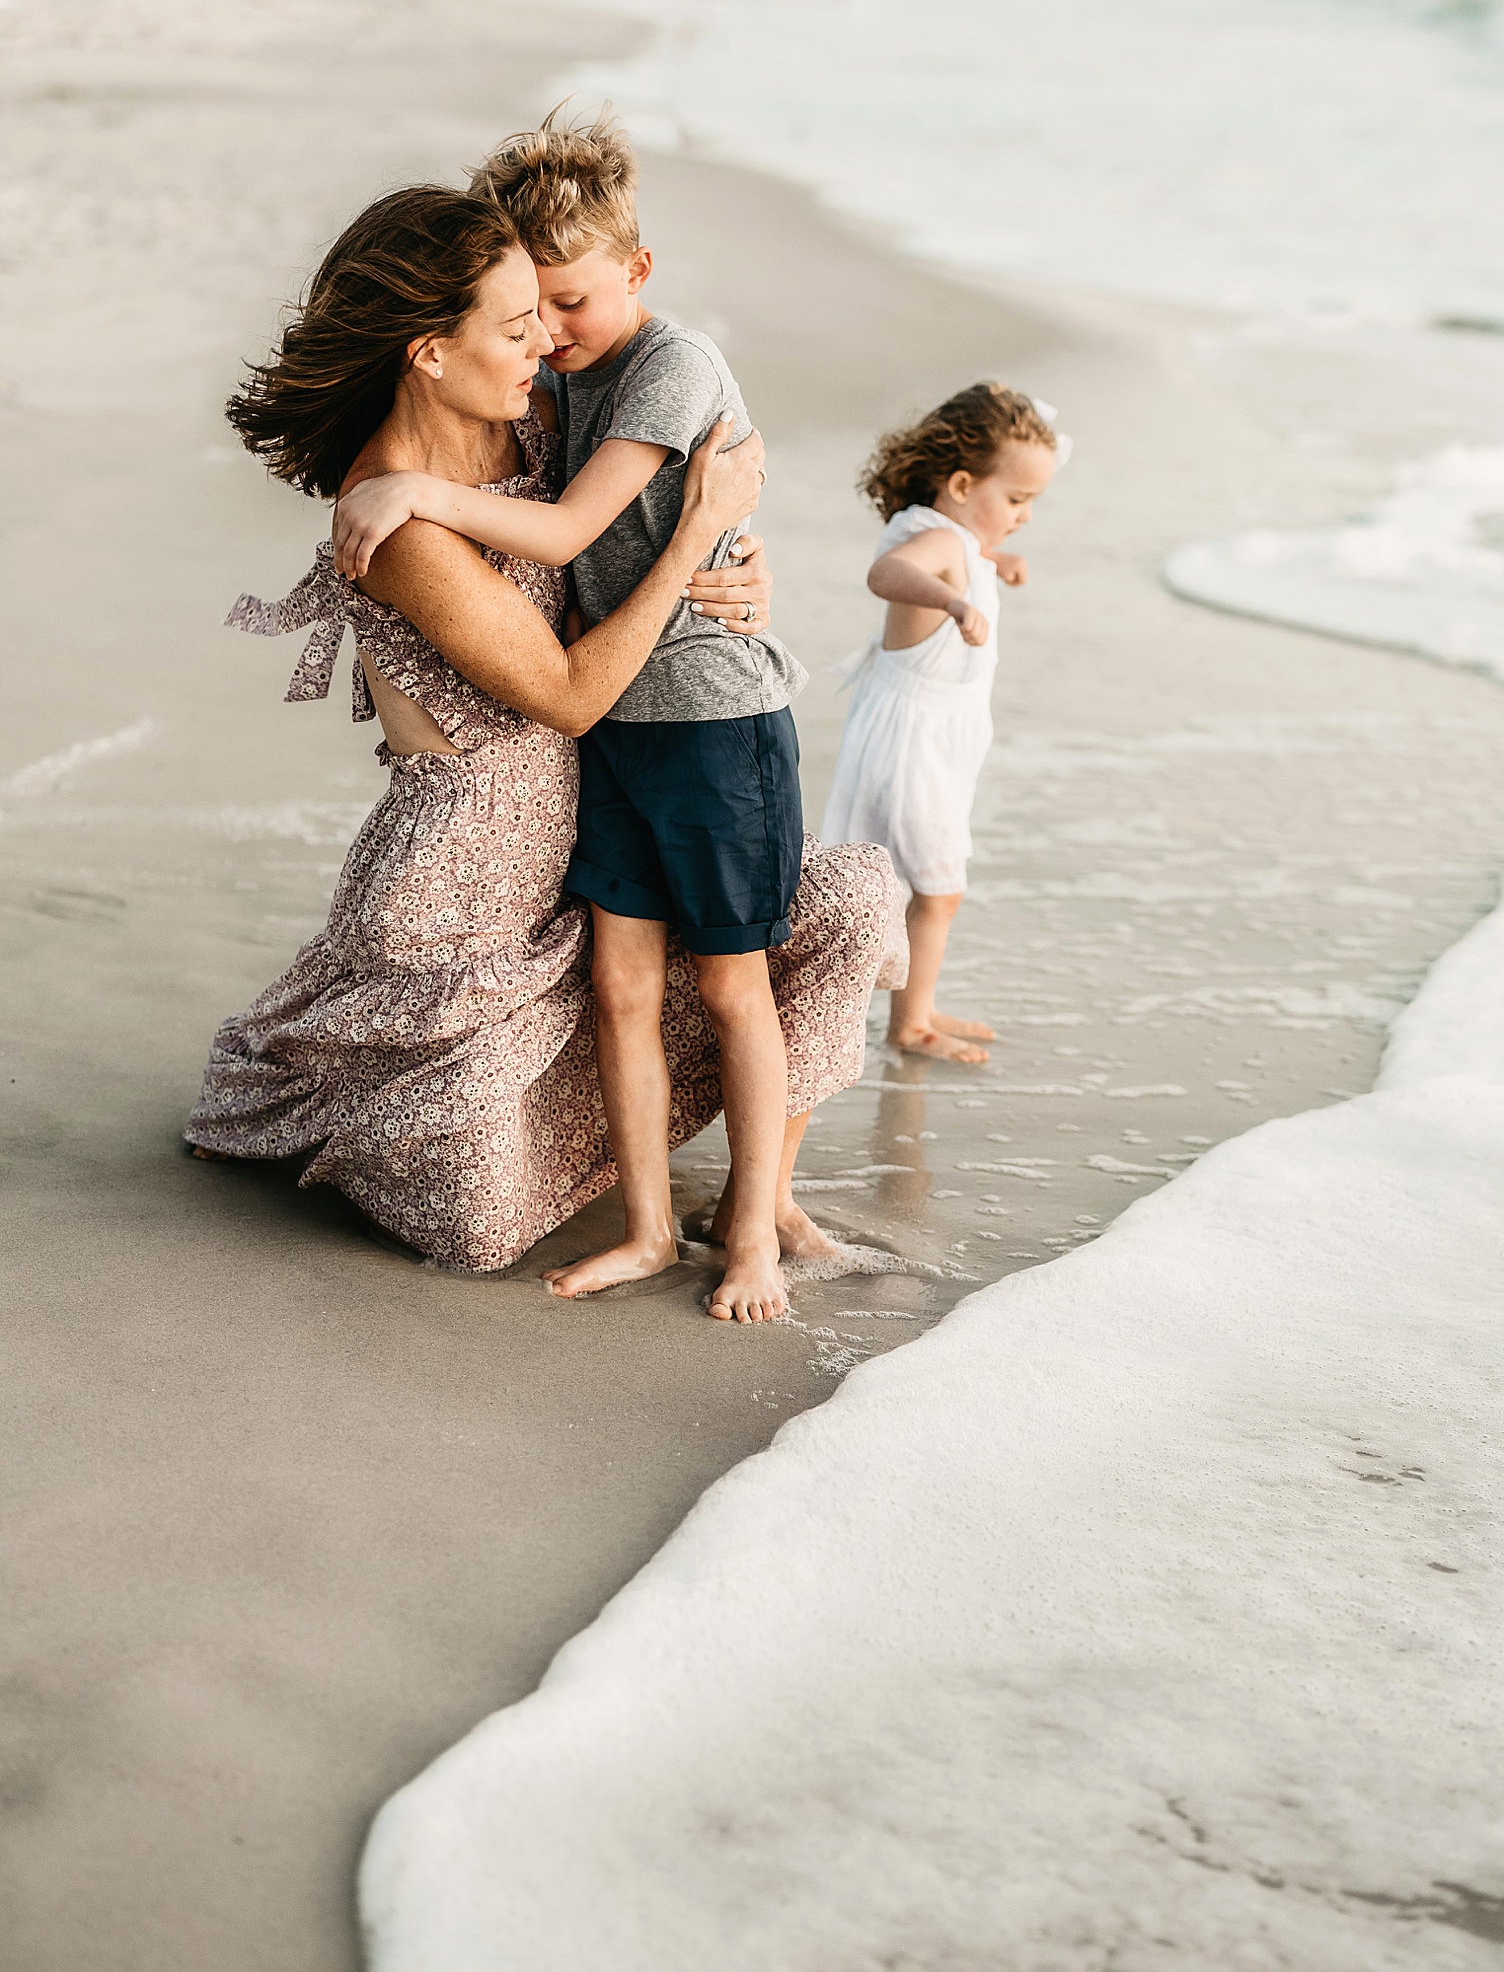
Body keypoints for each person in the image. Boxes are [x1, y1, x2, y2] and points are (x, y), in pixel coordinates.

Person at [189, 185, 904, 1320]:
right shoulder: (399, 520)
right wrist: (681, 560)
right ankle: (578, 1158)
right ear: (431, 352)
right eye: (515, 328)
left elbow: (650, 512)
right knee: (471, 1218)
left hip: (600, 826)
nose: (547, 344)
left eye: (544, 316)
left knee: (853, 907)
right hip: (466, 896)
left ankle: (759, 1198)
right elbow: (570, 694)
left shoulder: (540, 419)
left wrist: (737, 564)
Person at [328, 116, 812, 1319]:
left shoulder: (666, 366)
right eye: (530, 312)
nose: (549, 335)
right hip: (615, 737)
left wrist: (416, 490)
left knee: (737, 986)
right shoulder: (559, 381)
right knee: (624, 990)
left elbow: (573, 532)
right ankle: (652, 1227)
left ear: (637, 272)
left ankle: (752, 1230)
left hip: (707, 718)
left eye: (571, 305)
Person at [821, 382, 1062, 1065]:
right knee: (936, 885)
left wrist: (992, 562)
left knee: (910, 883)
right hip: (913, 743)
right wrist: (954, 603)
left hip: (927, 737)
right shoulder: (933, 540)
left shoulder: (954, 536)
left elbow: (955, 551)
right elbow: (888, 572)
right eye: (1016, 501)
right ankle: (909, 1022)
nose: (1026, 515)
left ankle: (909, 1008)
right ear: (961, 483)